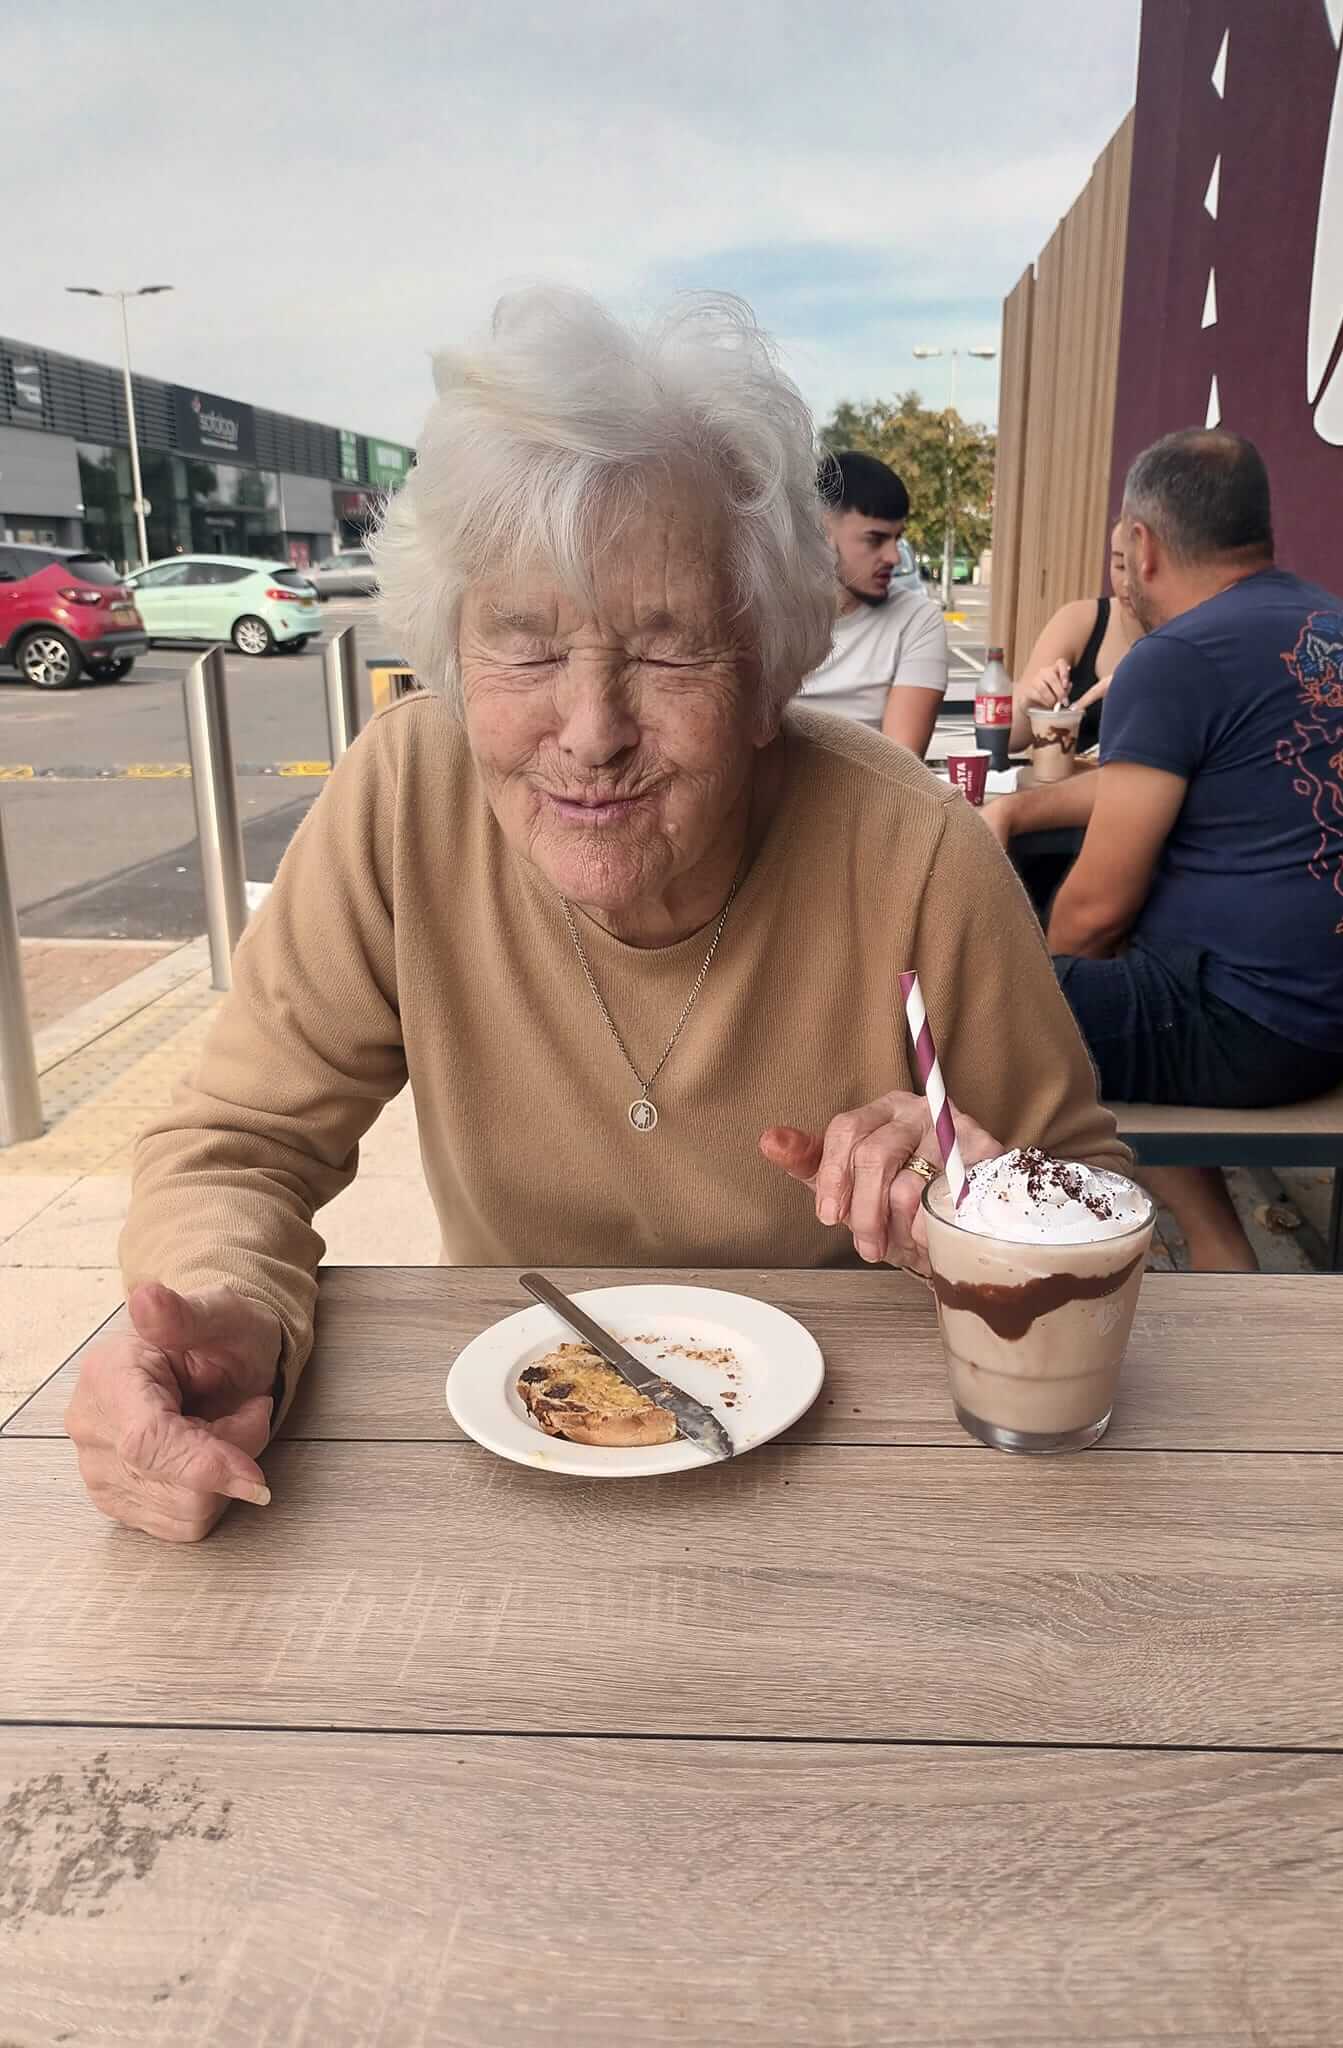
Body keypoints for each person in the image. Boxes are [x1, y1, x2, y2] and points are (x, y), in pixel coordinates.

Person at [66, 288, 1126, 1543]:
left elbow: (1094, 1202)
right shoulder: (407, 798)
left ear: (765, 672)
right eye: (522, 648)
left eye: (669, 651)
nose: (590, 731)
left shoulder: (912, 851)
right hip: (505, 1482)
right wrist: (223, 1308)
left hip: (851, 1494)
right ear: (455, 660)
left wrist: (980, 1205)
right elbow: (238, 1141)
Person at [1034, 427, 1343, 1269]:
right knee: (1122, 959)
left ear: (1142, 546)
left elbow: (1096, 909)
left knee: (971, 1001)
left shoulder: (1176, 654)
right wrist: (1014, 822)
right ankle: (1224, 1249)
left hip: (1248, 1031)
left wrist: (1037, 1002)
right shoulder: (1342, 631)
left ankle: (1042, 1250)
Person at [799, 451, 949, 755]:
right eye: (875, 539)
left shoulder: (917, 619)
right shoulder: (766, 615)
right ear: (823, 530)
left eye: (897, 538)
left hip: (870, 798)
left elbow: (901, 767)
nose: (894, 557)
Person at [1006, 520, 1144, 756]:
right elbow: (1009, 739)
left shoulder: (1194, 633)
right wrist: (1030, 705)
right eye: (1120, 565)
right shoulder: (1078, 620)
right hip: (1067, 784)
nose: (1127, 583)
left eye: (1140, 568)